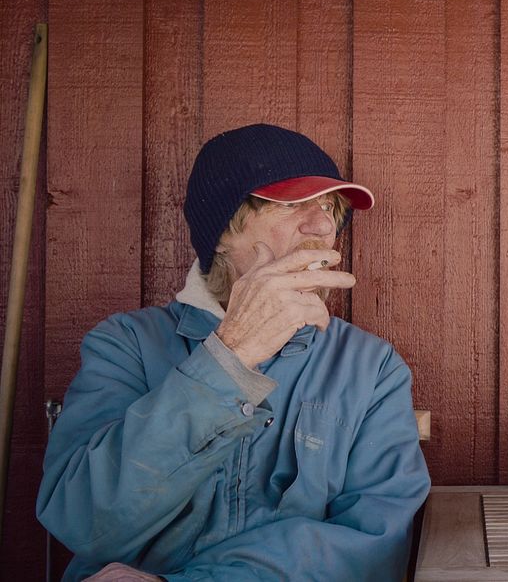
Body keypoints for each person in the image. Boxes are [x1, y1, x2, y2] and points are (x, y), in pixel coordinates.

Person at [36, 124, 430, 581]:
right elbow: (83, 523)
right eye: (292, 204)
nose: (323, 226)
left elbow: (372, 547)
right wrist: (231, 354)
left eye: (329, 208)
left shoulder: (370, 367)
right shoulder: (125, 345)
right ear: (222, 231)